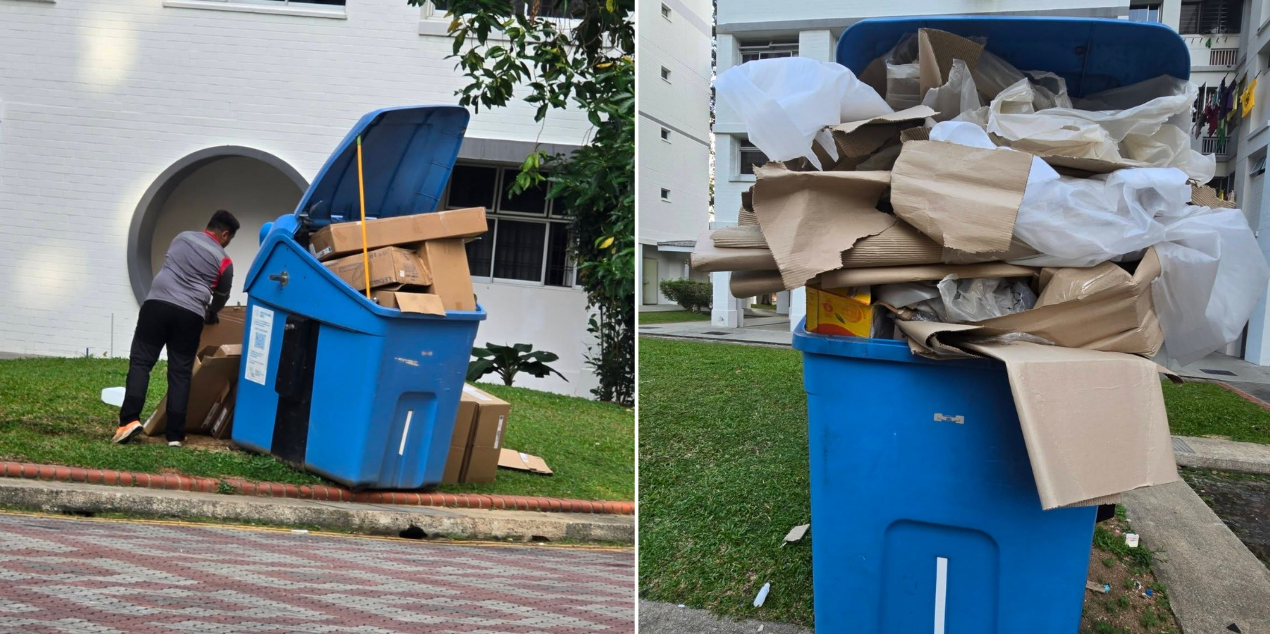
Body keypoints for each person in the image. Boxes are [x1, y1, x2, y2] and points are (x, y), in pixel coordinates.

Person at [112, 210, 239, 447]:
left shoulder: (182, 238)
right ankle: (174, 435)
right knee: (180, 373)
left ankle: (128, 422)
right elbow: (221, 297)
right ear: (224, 234)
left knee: (141, 363)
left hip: (156, 306)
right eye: (230, 239)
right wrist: (211, 313)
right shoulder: (225, 261)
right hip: (190, 315)